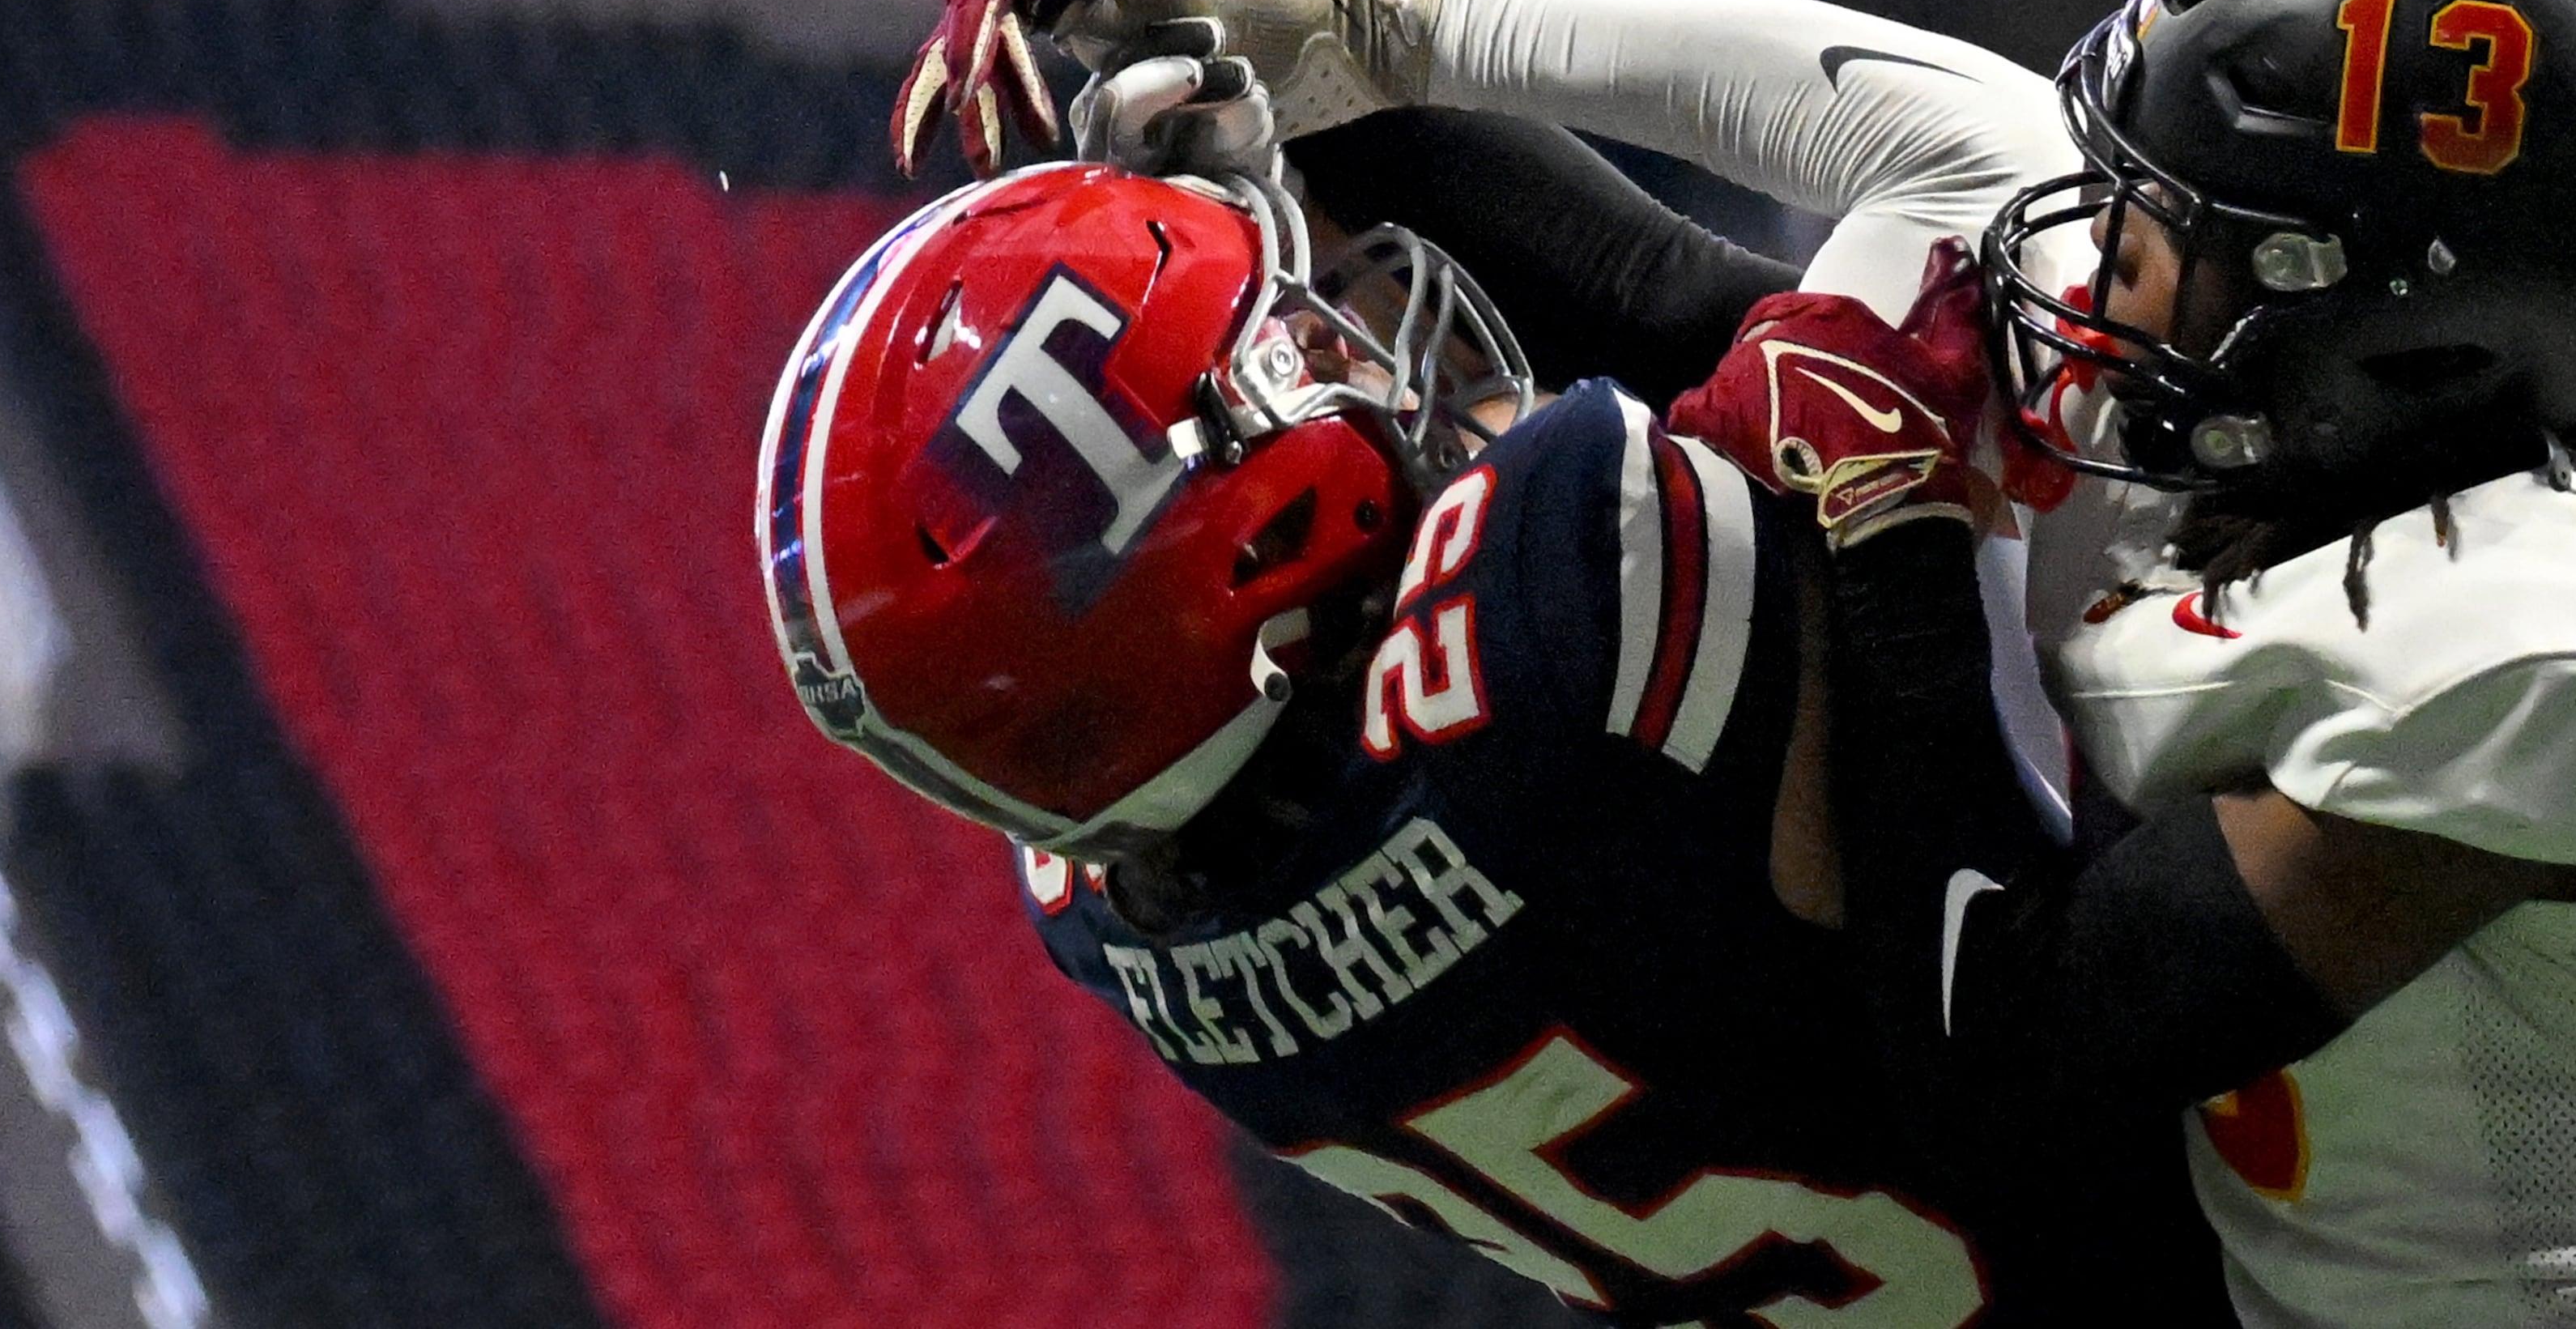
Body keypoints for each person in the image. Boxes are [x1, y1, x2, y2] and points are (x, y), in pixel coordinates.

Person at [907, 0, 2576, 1328]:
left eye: (2175, 232)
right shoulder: (2339, 446)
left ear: (2405, 341)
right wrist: (1305, 10)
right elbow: (1737, 275)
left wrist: (1907, 531)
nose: (2101, 260)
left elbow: (2008, 1049)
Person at [756, 115, 2220, 1323]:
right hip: (2235, 1218)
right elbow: (1705, 300)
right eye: (1284, 357)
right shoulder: (1558, 599)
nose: (1339, 345)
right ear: (1243, 551)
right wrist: (1355, 43)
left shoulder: (1128, 932)